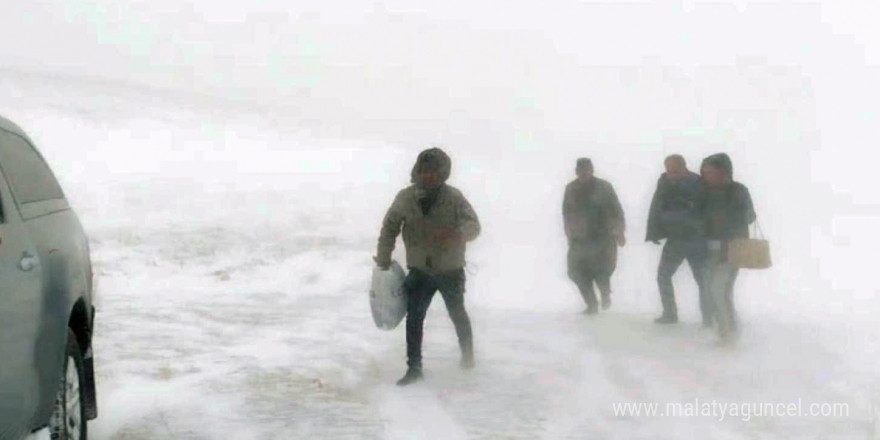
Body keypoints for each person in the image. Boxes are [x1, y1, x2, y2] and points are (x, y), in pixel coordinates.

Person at [375, 148, 481, 386]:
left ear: (443, 173)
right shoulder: (405, 197)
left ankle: (468, 357)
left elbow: (474, 225)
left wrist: (458, 235)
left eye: (434, 172)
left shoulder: (454, 198)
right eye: (424, 171)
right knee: (414, 318)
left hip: (450, 270)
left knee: (457, 313)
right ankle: (414, 368)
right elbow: (390, 227)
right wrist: (383, 257)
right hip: (420, 270)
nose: (428, 176)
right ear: (417, 172)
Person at [697, 153, 756, 343]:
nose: (707, 176)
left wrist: (727, 217)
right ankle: (728, 327)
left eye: (711, 172)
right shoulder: (702, 191)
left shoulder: (738, 191)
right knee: (711, 291)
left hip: (731, 249)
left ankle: (728, 332)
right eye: (705, 172)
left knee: (719, 290)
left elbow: (749, 217)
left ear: (724, 172)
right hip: (706, 250)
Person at [646, 155, 709, 325]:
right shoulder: (665, 182)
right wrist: (653, 232)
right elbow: (656, 205)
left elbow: (705, 211)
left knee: (703, 280)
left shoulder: (698, 183)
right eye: (668, 169)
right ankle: (670, 313)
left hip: (697, 240)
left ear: (684, 167)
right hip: (676, 240)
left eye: (674, 170)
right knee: (663, 275)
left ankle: (708, 317)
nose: (670, 173)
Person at [563, 158, 626, 315]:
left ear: (592, 170)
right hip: (579, 238)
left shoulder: (604, 187)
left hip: (603, 236)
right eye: (580, 170)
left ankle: (605, 295)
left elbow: (617, 210)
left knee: (602, 270)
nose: (583, 172)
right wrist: (569, 234)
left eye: (586, 169)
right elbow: (566, 213)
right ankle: (591, 304)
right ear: (576, 171)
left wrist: (620, 232)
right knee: (575, 272)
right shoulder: (570, 188)